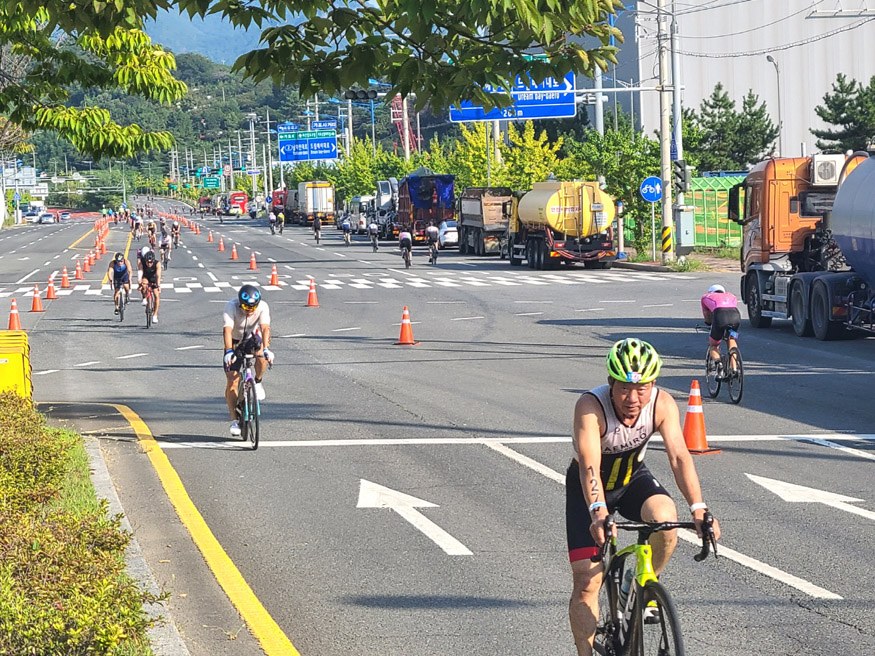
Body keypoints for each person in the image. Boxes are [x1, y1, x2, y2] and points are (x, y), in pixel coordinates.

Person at [567, 338, 721, 656]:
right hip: (590, 490)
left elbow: (679, 456)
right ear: (611, 384)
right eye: (624, 388)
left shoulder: (661, 404)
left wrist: (699, 508)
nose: (633, 398)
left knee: (666, 519)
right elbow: (590, 465)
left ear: (653, 384)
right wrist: (598, 512)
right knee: (587, 582)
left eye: (643, 388)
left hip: (632, 478)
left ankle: (644, 589)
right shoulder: (590, 407)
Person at [222, 285, 274, 436]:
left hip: (251, 338)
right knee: (232, 380)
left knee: (261, 356)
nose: (249, 310)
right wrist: (229, 351)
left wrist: (266, 349)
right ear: (239, 303)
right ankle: (234, 421)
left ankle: (257, 381)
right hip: (234, 341)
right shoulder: (231, 307)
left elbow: (265, 328)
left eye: (253, 307)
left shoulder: (263, 307)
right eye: (245, 307)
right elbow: (227, 330)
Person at [701, 284, 740, 369]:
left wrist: (709, 323)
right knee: (732, 338)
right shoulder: (731, 295)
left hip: (720, 316)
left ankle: (719, 364)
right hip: (735, 316)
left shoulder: (705, 297)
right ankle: (734, 367)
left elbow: (707, 315)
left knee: (714, 345)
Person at [138, 251, 162, 323]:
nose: (149, 264)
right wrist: (139, 281)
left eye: (151, 262)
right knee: (144, 284)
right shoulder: (141, 262)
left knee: (156, 295)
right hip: (146, 277)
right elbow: (140, 271)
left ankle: (155, 315)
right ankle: (144, 298)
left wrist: (158, 285)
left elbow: (158, 275)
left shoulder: (157, 264)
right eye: (147, 262)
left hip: (154, 278)